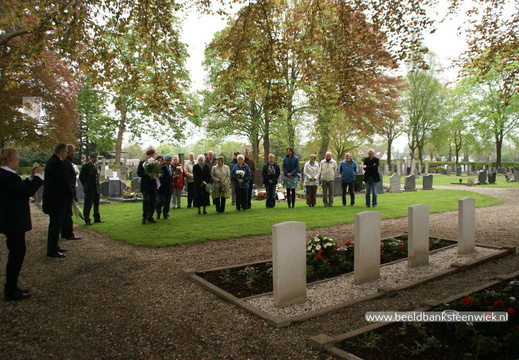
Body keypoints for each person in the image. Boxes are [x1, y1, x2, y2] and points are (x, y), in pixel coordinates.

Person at [0, 148, 43, 300]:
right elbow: (26, 192)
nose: (18, 161)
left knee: (17, 251)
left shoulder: (6, 175)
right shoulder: (8, 176)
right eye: (16, 159)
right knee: (17, 253)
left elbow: (19, 188)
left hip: (9, 219)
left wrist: (31, 177)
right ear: (10, 160)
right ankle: (10, 290)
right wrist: (38, 176)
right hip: (14, 220)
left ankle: (12, 287)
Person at [43, 143, 74, 258]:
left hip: (55, 199)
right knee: (55, 225)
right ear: (62, 152)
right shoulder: (57, 164)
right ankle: (52, 250)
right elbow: (63, 182)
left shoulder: (54, 162)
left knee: (56, 224)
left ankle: (55, 246)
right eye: (66, 152)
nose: (67, 154)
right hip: (56, 200)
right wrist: (70, 194)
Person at [61, 144, 81, 240]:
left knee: (67, 213)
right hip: (68, 192)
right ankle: (68, 233)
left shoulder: (68, 162)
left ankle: (66, 232)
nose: (75, 152)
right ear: (68, 152)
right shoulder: (67, 163)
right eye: (73, 151)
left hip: (69, 191)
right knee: (68, 213)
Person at [79, 152, 104, 225]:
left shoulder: (97, 166)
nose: (96, 159)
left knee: (96, 204)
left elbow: (97, 177)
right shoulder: (86, 166)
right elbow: (81, 178)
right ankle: (87, 219)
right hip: (89, 188)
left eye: (96, 157)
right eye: (94, 157)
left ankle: (97, 218)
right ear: (91, 158)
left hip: (96, 188)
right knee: (88, 204)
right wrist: (86, 185)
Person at [137, 149, 159, 224]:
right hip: (145, 185)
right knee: (146, 200)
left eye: (153, 155)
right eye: (150, 155)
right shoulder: (142, 163)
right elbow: (139, 173)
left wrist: (158, 174)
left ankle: (150, 216)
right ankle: (144, 216)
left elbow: (158, 172)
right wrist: (147, 174)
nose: (152, 156)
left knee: (153, 201)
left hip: (153, 185)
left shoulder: (155, 163)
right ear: (147, 156)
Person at [156, 154, 173, 219]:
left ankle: (166, 214)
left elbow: (171, 176)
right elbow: (161, 175)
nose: (169, 162)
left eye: (170, 160)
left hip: (169, 187)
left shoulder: (172, 167)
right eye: (167, 160)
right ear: (164, 160)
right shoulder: (161, 167)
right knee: (161, 201)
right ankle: (158, 210)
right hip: (162, 187)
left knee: (167, 202)